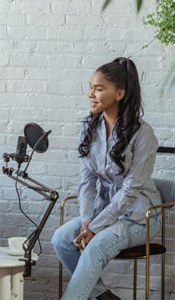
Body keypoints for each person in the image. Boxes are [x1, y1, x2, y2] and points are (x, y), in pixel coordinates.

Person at [52, 57, 162, 300]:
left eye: (99, 89)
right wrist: (86, 221)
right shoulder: (88, 126)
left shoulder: (143, 134)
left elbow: (130, 190)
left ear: (120, 93)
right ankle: (103, 296)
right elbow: (87, 181)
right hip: (104, 211)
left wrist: (95, 227)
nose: (91, 94)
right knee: (61, 239)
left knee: (96, 246)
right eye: (90, 87)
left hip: (138, 215)